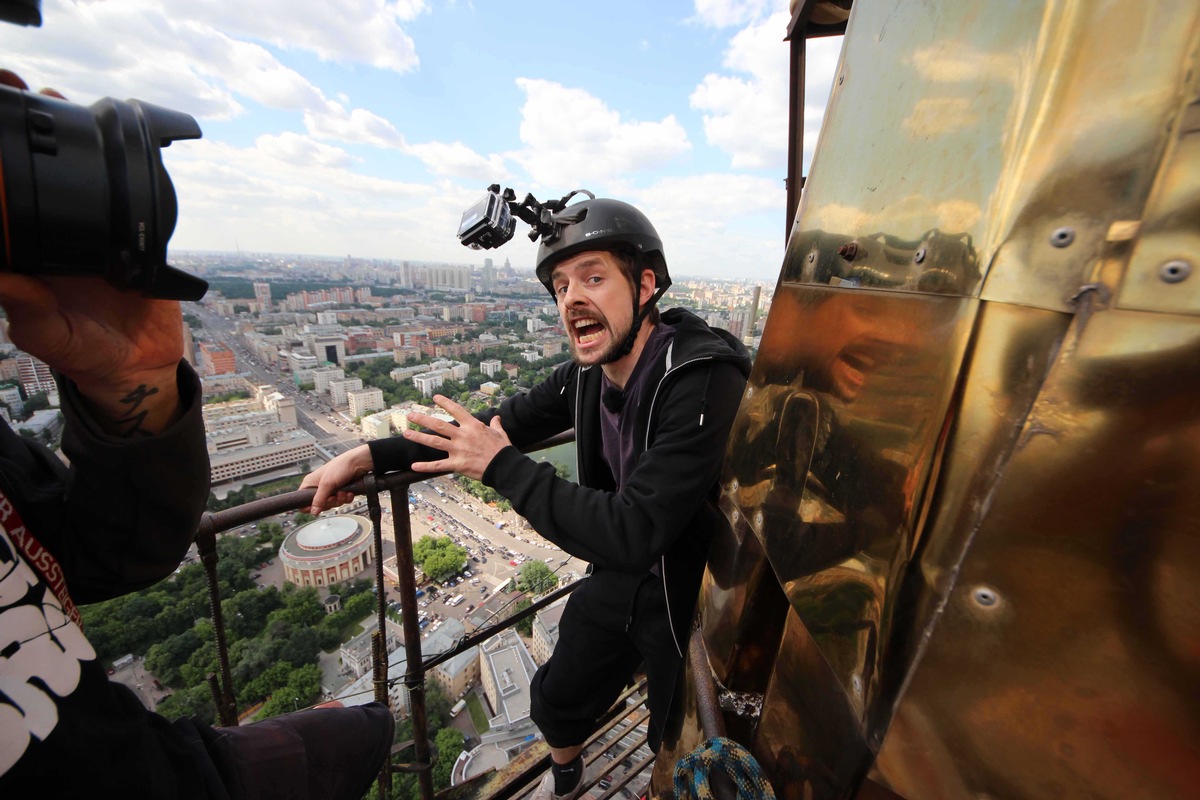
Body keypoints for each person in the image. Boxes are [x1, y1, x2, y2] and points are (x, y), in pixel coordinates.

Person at [0, 70, 393, 800]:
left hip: (146, 764)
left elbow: (109, 552)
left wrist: (133, 386)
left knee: (369, 729)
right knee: (368, 729)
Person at [302, 196, 752, 800]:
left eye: (594, 278)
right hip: (622, 570)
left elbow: (637, 526)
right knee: (556, 697)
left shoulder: (699, 376)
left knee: (674, 729)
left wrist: (503, 470)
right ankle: (567, 776)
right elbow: (482, 429)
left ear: (645, 285)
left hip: (682, 585)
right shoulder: (587, 377)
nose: (572, 300)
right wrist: (367, 456)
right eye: (561, 287)